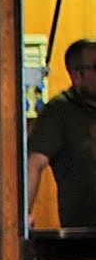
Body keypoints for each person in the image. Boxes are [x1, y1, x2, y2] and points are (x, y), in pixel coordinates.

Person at [27, 38, 96, 227]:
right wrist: (20, 217)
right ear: (76, 75)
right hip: (85, 239)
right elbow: (33, 164)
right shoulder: (59, 111)